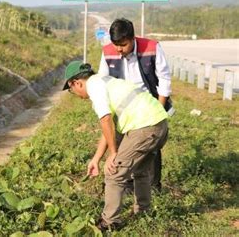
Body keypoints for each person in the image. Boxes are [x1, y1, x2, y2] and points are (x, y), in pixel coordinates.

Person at [63, 61, 168, 231]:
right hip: (159, 124)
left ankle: (110, 222)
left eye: (71, 90)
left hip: (144, 127)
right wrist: (96, 159)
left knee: (113, 173)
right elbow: (109, 129)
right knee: (140, 171)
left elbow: (105, 120)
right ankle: (144, 211)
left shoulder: (94, 87)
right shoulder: (106, 81)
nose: (74, 93)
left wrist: (113, 153)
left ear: (76, 83)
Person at [98, 18, 172, 190]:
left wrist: (157, 112)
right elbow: (104, 81)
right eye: (116, 44)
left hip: (149, 105)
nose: (118, 49)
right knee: (125, 145)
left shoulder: (152, 47)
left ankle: (153, 186)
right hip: (123, 107)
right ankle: (128, 183)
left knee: (150, 146)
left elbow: (164, 79)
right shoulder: (108, 52)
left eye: (123, 45)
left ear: (133, 39)